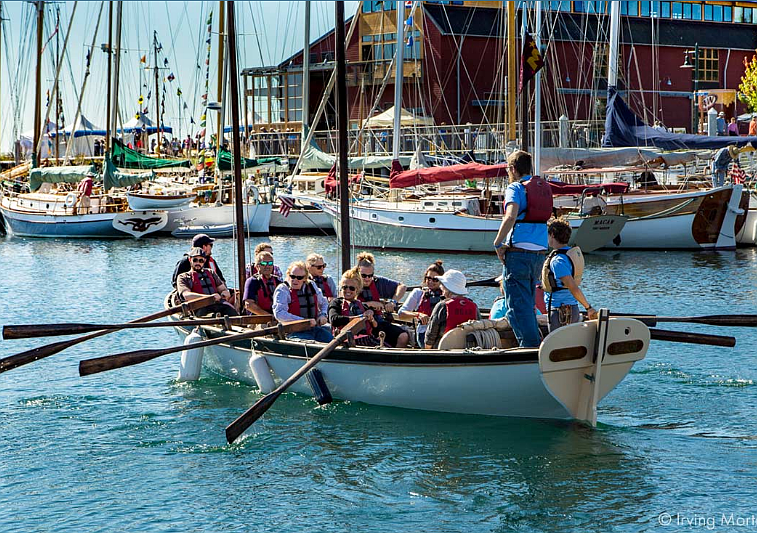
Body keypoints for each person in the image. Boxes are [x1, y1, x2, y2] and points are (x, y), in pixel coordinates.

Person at [492, 150, 550, 348]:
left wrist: (498, 243)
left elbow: (510, 216)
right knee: (525, 303)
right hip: (539, 253)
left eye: (508, 168)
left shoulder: (516, 187)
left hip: (519, 253)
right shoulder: (542, 187)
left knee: (517, 307)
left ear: (513, 169)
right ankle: (531, 342)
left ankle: (530, 348)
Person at [542, 219, 597, 332]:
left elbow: (573, 287)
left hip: (560, 312)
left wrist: (588, 308)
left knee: (558, 346)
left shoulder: (558, 261)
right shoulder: (569, 255)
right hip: (571, 308)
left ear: (552, 235)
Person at [355, 252, 409, 348]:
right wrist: (369, 304)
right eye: (363, 276)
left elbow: (402, 286)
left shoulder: (378, 282)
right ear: (357, 273)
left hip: (378, 321)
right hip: (359, 324)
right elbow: (345, 301)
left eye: (370, 275)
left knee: (403, 336)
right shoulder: (351, 282)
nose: (367, 279)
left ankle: (394, 360)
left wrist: (393, 302)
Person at [272, 261, 333, 342]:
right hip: (293, 331)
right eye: (292, 276)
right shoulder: (283, 290)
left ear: (305, 278)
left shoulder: (311, 285)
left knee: (332, 341)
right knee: (311, 344)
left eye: (299, 278)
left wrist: (323, 314)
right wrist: (304, 321)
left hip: (314, 328)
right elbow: (279, 313)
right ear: (288, 275)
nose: (295, 280)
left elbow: (324, 302)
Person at [424, 270, 481, 349]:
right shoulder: (473, 306)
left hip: (443, 350)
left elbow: (430, 336)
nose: (441, 288)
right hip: (467, 348)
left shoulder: (442, 306)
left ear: (447, 287)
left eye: (443, 285)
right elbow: (479, 329)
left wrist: (427, 351)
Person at [175, 247, 236, 316]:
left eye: (201, 261)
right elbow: (186, 295)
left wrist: (224, 293)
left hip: (219, 304)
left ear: (204, 261)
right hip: (200, 307)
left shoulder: (211, 272)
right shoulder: (183, 277)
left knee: (232, 311)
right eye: (195, 260)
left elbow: (223, 289)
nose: (198, 263)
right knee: (210, 316)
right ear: (190, 259)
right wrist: (210, 298)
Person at [398, 260, 445, 347]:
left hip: (442, 333)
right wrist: (418, 315)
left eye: (435, 279)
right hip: (424, 333)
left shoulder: (446, 294)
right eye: (428, 278)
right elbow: (401, 313)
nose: (430, 281)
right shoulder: (418, 293)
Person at [328, 267, 379, 346]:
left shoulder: (362, 306)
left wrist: (371, 318)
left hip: (366, 340)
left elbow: (375, 326)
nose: (348, 290)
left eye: (351, 288)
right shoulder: (336, 303)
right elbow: (334, 319)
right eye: (345, 287)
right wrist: (358, 318)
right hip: (345, 341)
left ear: (357, 290)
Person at [242, 250, 281, 315]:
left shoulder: (277, 281)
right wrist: (268, 316)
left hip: (277, 317)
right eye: (264, 264)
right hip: (258, 319)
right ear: (257, 266)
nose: (267, 266)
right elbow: (249, 305)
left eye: (270, 263)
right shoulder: (252, 281)